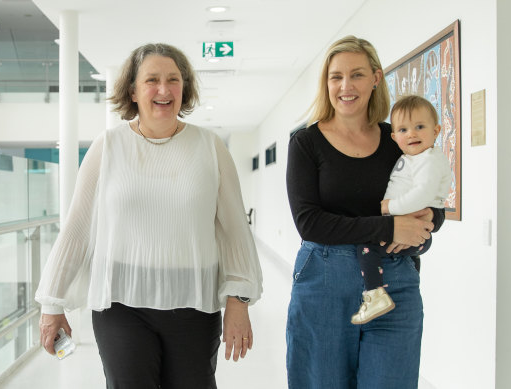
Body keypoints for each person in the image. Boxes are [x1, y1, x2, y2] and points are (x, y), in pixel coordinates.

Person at [35, 43, 263, 389]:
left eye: (173, 80)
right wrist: (52, 303)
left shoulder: (210, 147)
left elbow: (234, 231)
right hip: (120, 304)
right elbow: (77, 228)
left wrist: (239, 299)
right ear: (133, 91)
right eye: (152, 80)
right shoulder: (107, 147)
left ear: (183, 88)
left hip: (195, 305)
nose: (163, 89)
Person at [286, 36, 445, 388]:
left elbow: (431, 199)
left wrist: (430, 220)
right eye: (335, 76)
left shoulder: (397, 138)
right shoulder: (306, 143)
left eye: (356, 75)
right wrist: (388, 229)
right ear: (326, 83)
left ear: (375, 78)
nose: (345, 86)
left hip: (395, 282)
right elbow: (309, 223)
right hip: (325, 284)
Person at [351, 95, 451, 325]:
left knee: (367, 247)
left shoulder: (430, 159)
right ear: (395, 137)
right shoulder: (413, 157)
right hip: (405, 230)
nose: (412, 134)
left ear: (436, 131)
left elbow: (423, 194)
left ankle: (375, 295)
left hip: (415, 230)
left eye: (420, 127)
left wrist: (389, 207)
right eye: (404, 130)